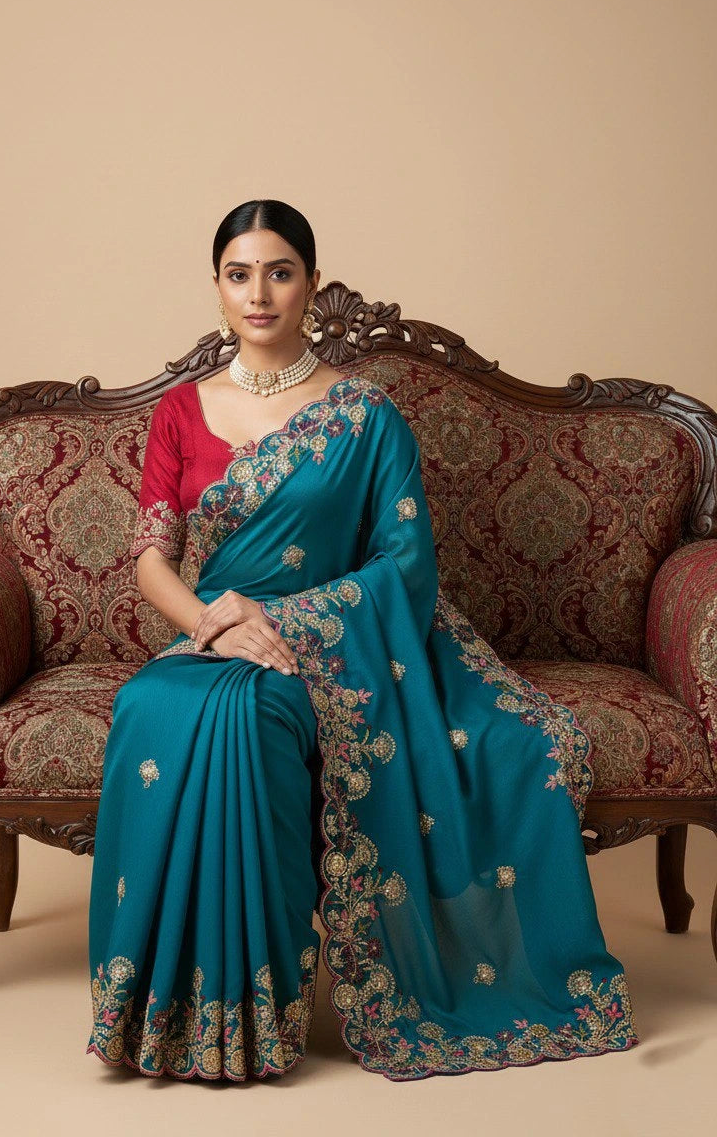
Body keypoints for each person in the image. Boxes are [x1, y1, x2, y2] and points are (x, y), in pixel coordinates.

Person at [86, 198, 639, 1082]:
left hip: (332, 647)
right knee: (149, 701)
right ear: (217, 288)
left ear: (310, 283)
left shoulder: (364, 414)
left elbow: (405, 566)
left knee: (256, 721)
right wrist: (214, 624)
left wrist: (289, 623)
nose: (259, 293)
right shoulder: (182, 414)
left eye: (279, 272)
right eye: (239, 274)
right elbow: (153, 562)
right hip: (216, 634)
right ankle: (160, 1014)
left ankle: (255, 1021)